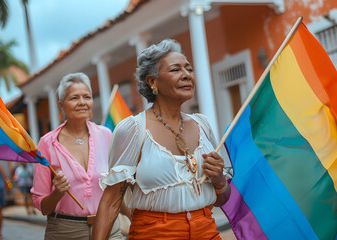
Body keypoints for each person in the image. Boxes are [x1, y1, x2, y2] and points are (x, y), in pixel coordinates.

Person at [92, 39, 232, 240]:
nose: (187, 75)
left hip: (207, 231)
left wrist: (219, 180)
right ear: (152, 82)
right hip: (155, 234)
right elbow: (112, 201)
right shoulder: (133, 129)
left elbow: (222, 198)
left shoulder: (203, 125)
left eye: (189, 69)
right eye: (175, 70)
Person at [31, 72, 128, 240]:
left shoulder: (106, 135)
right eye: (74, 98)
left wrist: (133, 216)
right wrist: (57, 193)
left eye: (87, 97)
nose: (82, 102)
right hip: (66, 231)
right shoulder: (47, 143)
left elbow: (117, 188)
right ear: (61, 105)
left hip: (109, 227)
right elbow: (42, 206)